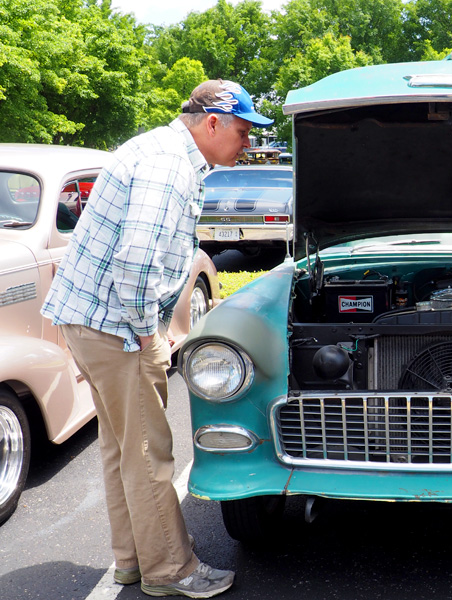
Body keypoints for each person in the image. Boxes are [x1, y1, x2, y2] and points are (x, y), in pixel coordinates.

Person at [41, 79, 273, 598]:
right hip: (118, 325)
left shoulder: (161, 151)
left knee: (122, 448)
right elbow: (137, 262)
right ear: (212, 123)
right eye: (242, 132)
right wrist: (152, 336)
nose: (248, 144)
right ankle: (171, 571)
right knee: (150, 451)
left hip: (91, 319)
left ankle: (131, 562)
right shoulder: (169, 168)